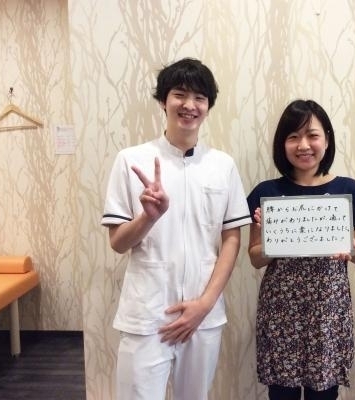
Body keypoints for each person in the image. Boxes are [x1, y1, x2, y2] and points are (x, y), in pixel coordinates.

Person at [101, 57, 252, 400]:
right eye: (180, 94)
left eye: (199, 97)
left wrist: (205, 304)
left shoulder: (222, 165)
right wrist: (148, 217)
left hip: (203, 314)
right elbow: (118, 243)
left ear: (208, 106)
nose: (189, 105)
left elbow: (231, 239)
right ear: (163, 101)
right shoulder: (131, 160)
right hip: (147, 314)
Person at [247, 99, 355, 400]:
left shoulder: (349, 190)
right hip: (281, 312)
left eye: (312, 135)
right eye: (293, 136)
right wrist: (273, 238)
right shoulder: (267, 193)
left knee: (324, 393)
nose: (303, 145)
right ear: (282, 144)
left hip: (328, 310)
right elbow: (255, 257)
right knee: (281, 393)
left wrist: (349, 246)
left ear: (327, 140)